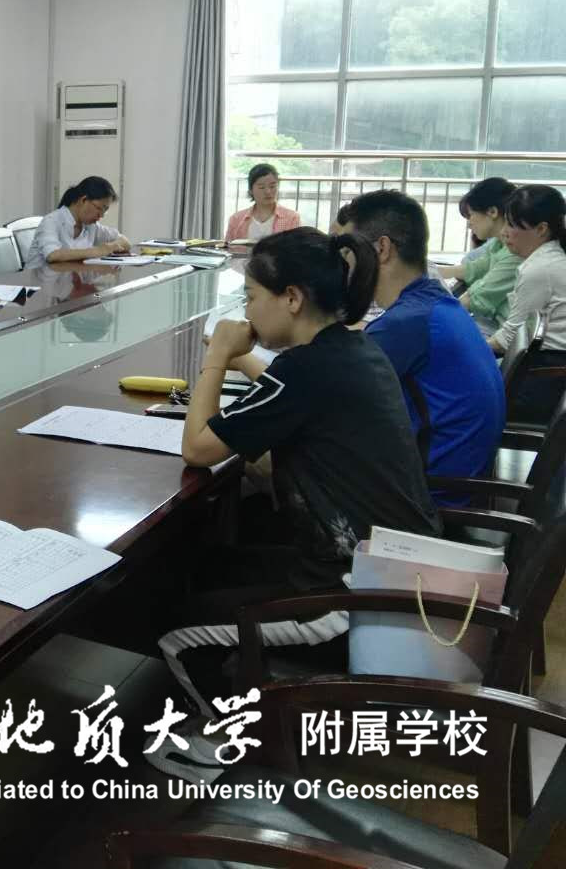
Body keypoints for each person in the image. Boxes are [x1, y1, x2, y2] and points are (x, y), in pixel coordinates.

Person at [162, 228, 440, 735]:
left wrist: (217, 355)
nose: (246, 312)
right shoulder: (350, 349)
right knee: (210, 566)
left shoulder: (304, 370)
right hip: (390, 568)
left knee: (175, 628)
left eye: (251, 297)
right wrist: (239, 361)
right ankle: (245, 687)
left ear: (291, 298)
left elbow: (197, 448)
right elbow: (286, 413)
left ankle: (221, 745)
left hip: (357, 599)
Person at [339, 190, 505, 491]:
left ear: (381, 249)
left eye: (348, 253)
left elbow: (321, 401)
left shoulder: (405, 324)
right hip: (455, 482)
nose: (345, 266)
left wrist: (244, 355)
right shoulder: (435, 302)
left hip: (425, 500)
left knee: (277, 456)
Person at [489, 185, 566, 421]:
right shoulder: (551, 259)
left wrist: (465, 347)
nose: (504, 232)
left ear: (541, 229)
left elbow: (507, 339)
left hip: (545, 380)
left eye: (512, 225)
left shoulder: (540, 269)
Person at [437, 177, 521, 326]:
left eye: (471, 215)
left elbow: (479, 297)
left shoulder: (516, 252)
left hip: (502, 330)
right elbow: (478, 268)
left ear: (492, 212)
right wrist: (435, 271)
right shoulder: (498, 244)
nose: (469, 224)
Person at [23, 176, 131, 270]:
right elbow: (52, 255)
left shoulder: (91, 226)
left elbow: (125, 241)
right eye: (99, 208)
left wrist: (110, 247)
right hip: (38, 284)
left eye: (105, 210)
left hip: (68, 281)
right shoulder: (51, 221)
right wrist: (97, 251)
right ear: (83, 200)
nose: (101, 215)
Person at [224, 164, 301, 242]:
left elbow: (296, 247)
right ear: (251, 190)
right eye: (261, 187)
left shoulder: (292, 218)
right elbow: (227, 247)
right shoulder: (236, 219)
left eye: (272, 186)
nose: (268, 191)